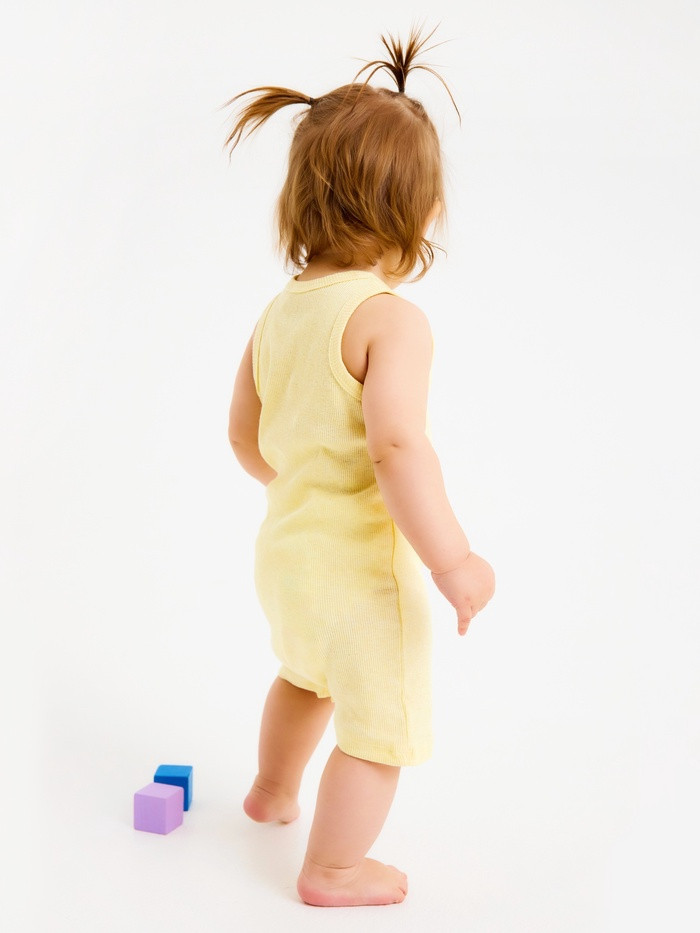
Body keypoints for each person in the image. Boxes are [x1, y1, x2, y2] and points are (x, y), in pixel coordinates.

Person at [224, 27, 495, 908]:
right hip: (361, 581)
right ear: (421, 212)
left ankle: (272, 790)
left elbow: (244, 439)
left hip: (286, 562)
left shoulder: (278, 315)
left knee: (304, 676)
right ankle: (334, 868)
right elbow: (398, 447)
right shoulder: (389, 320)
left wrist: (302, 489)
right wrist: (454, 559)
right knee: (379, 727)